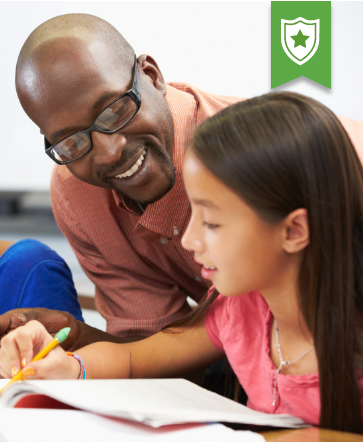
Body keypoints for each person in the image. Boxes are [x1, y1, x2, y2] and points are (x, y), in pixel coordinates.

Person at [1, 92, 363, 433]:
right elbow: (133, 360)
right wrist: (72, 368)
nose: (189, 240)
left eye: (213, 222)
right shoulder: (240, 312)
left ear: (294, 230)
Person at [1, 13, 363, 354]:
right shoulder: (77, 193)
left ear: (152, 75)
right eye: (72, 142)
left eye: (114, 110)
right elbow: (158, 351)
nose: (109, 152)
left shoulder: (290, 155)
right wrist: (77, 335)